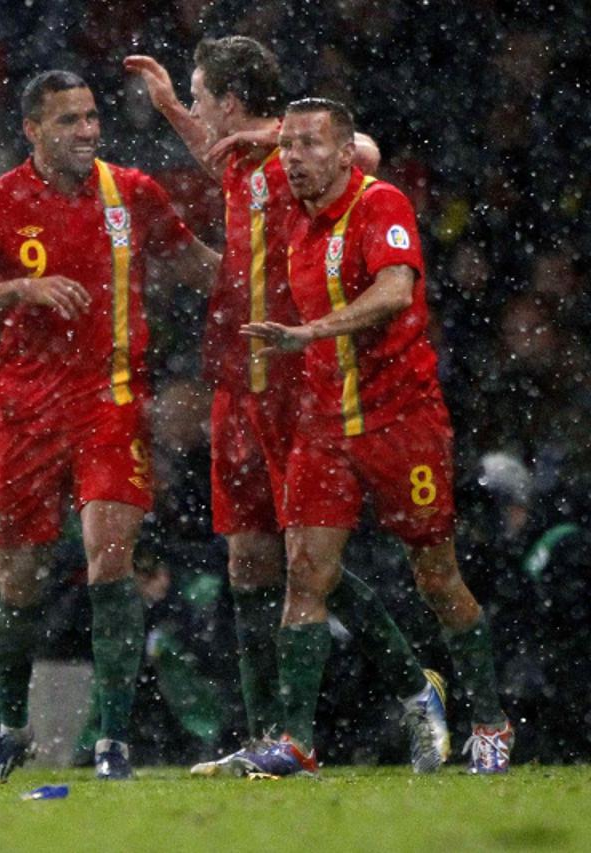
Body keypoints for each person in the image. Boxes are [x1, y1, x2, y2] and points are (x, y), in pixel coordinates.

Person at [125, 39, 451, 775]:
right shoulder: (240, 161)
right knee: (247, 561)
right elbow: (217, 149)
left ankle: (407, 687)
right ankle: (267, 733)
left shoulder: (294, 156)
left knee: (308, 563)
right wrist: (172, 106)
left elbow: (362, 148)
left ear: (234, 103)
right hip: (237, 379)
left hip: (297, 382)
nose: (202, 113)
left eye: (204, 97)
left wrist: (274, 133)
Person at [0, 69, 219, 781]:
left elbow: (206, 271)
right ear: (33, 130)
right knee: (18, 585)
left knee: (109, 557)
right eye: (69, 121)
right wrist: (19, 288)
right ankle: (11, 728)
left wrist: (270, 259)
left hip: (110, 402)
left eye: (91, 117)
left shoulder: (133, 193)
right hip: (25, 416)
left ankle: (112, 739)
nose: (87, 131)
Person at [237, 98, 513, 775]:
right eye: (288, 147)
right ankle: (297, 742)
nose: (293, 158)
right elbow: (265, 153)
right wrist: (243, 132)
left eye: (308, 145)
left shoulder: (380, 204)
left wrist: (309, 332)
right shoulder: (293, 209)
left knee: (437, 577)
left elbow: (393, 291)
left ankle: (490, 720)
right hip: (325, 425)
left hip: (402, 421)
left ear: (343, 153)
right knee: (305, 573)